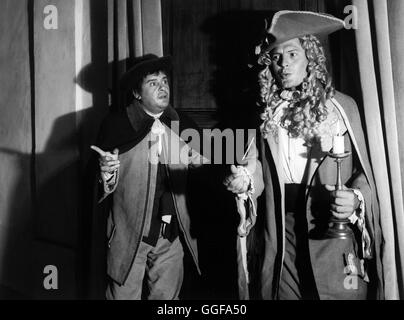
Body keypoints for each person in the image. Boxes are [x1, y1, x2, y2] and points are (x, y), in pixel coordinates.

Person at [224, 11, 383, 300]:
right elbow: (257, 169)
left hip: (331, 229)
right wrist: (245, 180)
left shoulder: (342, 108)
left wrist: (355, 199)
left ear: (310, 56)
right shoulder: (266, 115)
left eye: (292, 54)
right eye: (275, 57)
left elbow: (366, 173)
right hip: (281, 231)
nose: (283, 64)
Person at [91, 54, 206, 300]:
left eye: (164, 81)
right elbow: (99, 187)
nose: (162, 86)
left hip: (171, 237)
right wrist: (106, 172)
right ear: (136, 93)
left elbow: (205, 168)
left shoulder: (182, 123)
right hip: (129, 237)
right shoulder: (116, 126)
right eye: (153, 83)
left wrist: (202, 163)